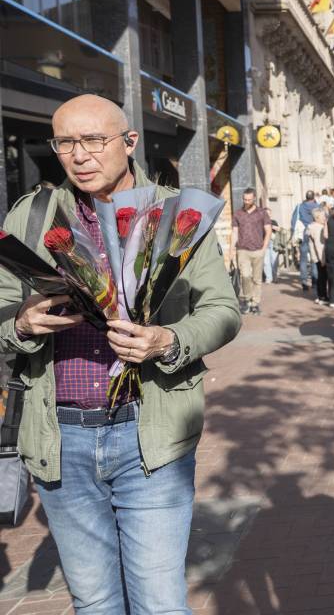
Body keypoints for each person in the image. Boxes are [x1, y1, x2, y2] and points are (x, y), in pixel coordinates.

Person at [0, 94, 241, 613]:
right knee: (95, 601)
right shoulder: (33, 215)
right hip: (61, 440)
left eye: (94, 140)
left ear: (129, 142)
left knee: (158, 602)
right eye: (65, 142)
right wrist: (21, 322)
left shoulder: (178, 213)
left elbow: (223, 310)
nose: (79, 155)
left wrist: (169, 341)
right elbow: (0, 309)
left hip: (149, 435)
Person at [232, 189, 272, 314]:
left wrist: (264, 248)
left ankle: (255, 303)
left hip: (258, 250)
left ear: (254, 198)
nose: (247, 201)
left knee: (257, 279)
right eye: (245, 199)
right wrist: (232, 250)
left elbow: (268, 230)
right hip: (243, 250)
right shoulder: (238, 213)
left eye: (249, 199)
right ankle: (247, 299)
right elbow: (234, 232)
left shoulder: (262, 213)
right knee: (245, 276)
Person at [291, 190, 319, 292]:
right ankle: (315, 281)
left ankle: (304, 281)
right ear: (313, 197)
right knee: (314, 258)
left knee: (303, 259)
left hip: (303, 234)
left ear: (306, 197)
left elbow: (293, 221)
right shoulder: (318, 206)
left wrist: (293, 234)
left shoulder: (299, 206)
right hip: (315, 234)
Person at [307, 206, 330, 305]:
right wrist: (322, 259)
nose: (325, 218)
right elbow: (319, 245)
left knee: (321, 276)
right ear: (317, 217)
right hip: (320, 256)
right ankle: (322, 297)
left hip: (316, 256)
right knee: (322, 277)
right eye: (323, 216)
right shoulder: (317, 228)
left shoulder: (312, 226)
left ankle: (321, 295)